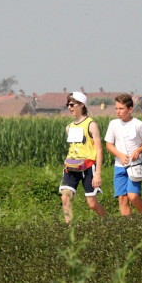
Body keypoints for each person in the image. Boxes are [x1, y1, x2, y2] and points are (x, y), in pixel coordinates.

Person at [58, 91, 107, 223]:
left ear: (82, 105)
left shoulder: (91, 125)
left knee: (92, 204)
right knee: (65, 198)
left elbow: (99, 150)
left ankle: (107, 221)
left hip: (88, 166)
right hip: (71, 166)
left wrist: (98, 174)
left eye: (73, 104)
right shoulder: (69, 127)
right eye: (68, 105)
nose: (70, 107)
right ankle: (69, 231)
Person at [104, 94, 142, 217]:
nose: (118, 112)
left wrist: (138, 151)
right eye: (116, 108)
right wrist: (119, 154)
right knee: (122, 199)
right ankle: (128, 226)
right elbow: (109, 144)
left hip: (135, 165)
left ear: (130, 109)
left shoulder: (138, 124)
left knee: (133, 196)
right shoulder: (113, 124)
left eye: (121, 109)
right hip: (119, 166)